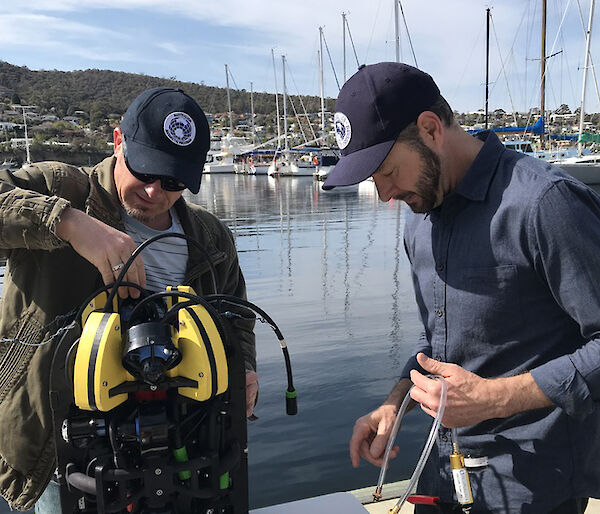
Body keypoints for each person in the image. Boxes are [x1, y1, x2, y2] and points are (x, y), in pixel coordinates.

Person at [323, 62, 600, 513]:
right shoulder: (420, 223)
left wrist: (495, 398)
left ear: (431, 129)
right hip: (441, 481)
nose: (387, 194)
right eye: (375, 181)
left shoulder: (544, 204)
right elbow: (436, 343)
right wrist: (396, 404)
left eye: (389, 171)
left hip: (534, 491)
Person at [0, 87, 258, 512]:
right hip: (55, 448)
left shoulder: (210, 238)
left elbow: (236, 317)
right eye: (146, 170)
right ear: (118, 142)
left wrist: (243, 367)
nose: (155, 193)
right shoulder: (59, 187)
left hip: (178, 446)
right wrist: (66, 223)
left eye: (174, 181)